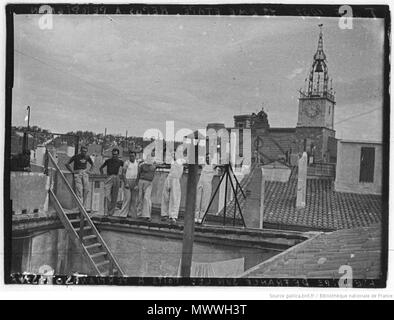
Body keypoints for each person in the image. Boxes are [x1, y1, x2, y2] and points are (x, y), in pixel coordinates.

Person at [100, 148, 124, 216]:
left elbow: (126, 167)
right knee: (107, 195)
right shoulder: (108, 161)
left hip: (116, 177)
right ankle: (107, 211)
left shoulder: (120, 161)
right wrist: (103, 176)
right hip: (109, 177)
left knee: (114, 196)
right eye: (113, 154)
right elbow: (101, 168)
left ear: (118, 155)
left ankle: (111, 213)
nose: (114, 156)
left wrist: (123, 175)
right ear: (112, 154)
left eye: (116, 154)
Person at [161, 156, 185, 224]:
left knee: (175, 198)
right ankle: (164, 214)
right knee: (165, 196)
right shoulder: (172, 160)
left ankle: (173, 216)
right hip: (169, 177)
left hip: (176, 179)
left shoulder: (182, 160)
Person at [195, 154, 218, 224]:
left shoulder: (214, 166)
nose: (208, 159)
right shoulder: (203, 165)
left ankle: (202, 217)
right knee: (198, 200)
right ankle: (196, 216)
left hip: (207, 185)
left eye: (209, 158)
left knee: (205, 201)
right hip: (200, 183)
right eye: (207, 158)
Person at [116, 151, 139, 218]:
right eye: (130, 156)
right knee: (127, 198)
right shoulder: (127, 163)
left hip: (134, 181)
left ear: (135, 156)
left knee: (134, 199)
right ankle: (123, 214)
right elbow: (123, 173)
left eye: (133, 156)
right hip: (128, 181)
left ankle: (131, 214)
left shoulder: (137, 163)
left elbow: (139, 174)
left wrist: (137, 184)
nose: (131, 157)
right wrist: (126, 183)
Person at [136, 153, 156, 221]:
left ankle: (147, 215)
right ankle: (139, 214)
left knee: (146, 198)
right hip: (141, 181)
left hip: (149, 183)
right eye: (148, 158)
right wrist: (136, 184)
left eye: (151, 158)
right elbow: (138, 175)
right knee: (140, 198)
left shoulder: (154, 166)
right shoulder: (142, 165)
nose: (149, 159)